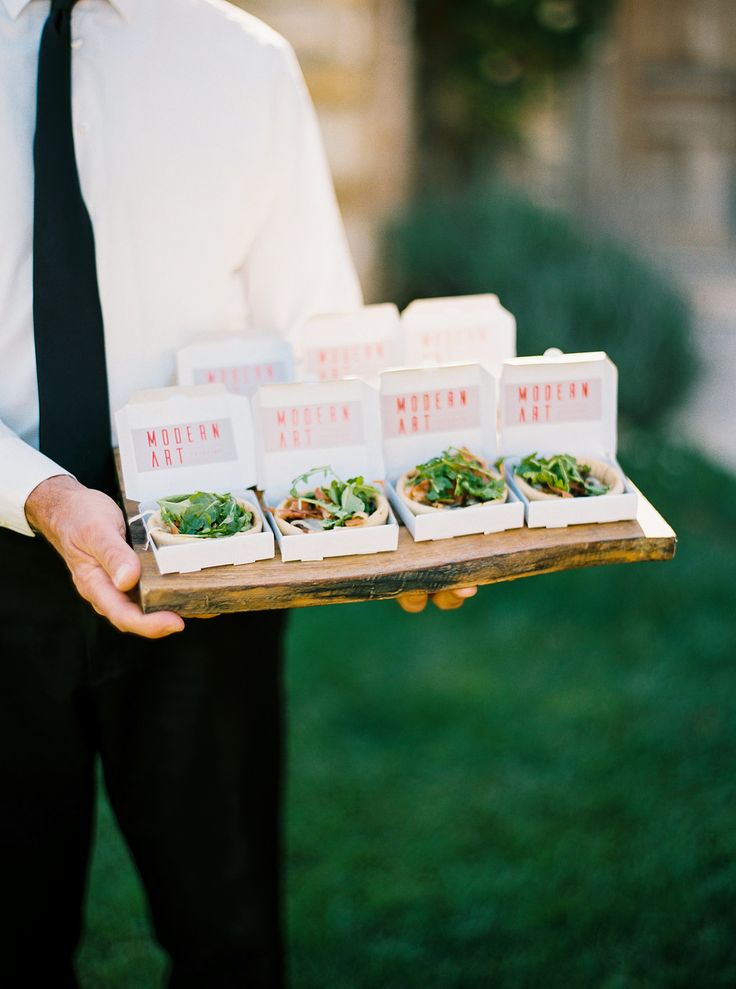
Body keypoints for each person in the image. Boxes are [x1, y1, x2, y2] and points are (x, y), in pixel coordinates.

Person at [0, 0, 476, 985]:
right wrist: (42, 493)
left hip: (212, 568)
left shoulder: (240, 60)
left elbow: (313, 331)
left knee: (230, 943)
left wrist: (397, 518)